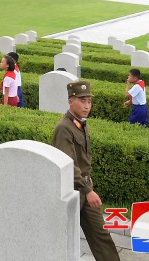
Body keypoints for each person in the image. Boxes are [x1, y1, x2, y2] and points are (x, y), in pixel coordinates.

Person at [52, 82, 121, 261]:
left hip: (83, 188)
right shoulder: (64, 128)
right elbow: (69, 164)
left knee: (101, 235)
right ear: (70, 101)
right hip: (72, 191)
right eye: (82, 101)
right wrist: (88, 190)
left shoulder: (80, 124)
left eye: (89, 101)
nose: (87, 106)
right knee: (58, 237)